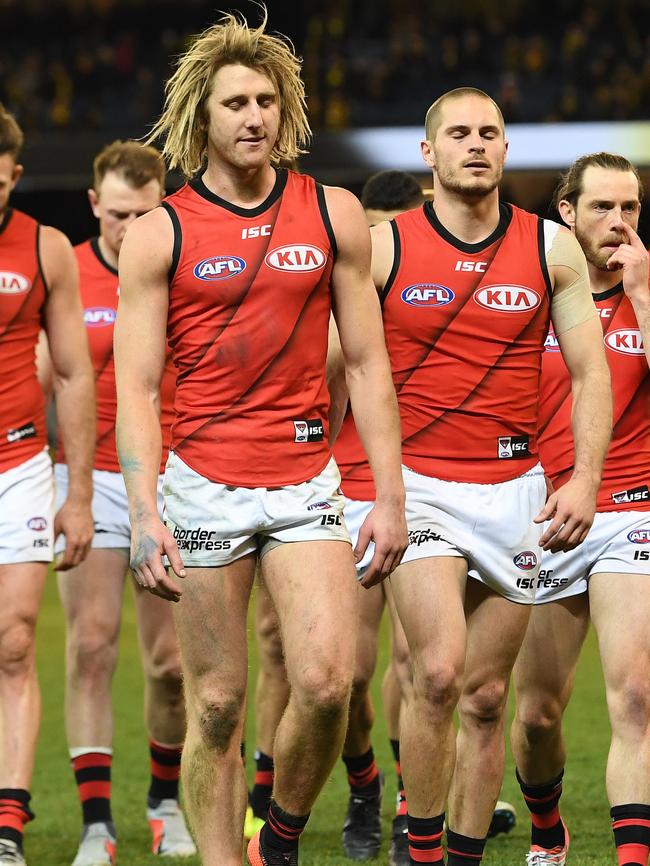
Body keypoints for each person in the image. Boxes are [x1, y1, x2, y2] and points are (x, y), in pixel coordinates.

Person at [113, 11, 407, 866]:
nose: (255, 117)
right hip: (201, 484)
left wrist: (388, 500)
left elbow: (367, 365)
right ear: (202, 116)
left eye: (268, 101)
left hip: (306, 482)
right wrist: (142, 511)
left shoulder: (336, 212)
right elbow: (135, 387)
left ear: (287, 111)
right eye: (236, 102)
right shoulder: (159, 232)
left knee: (324, 682)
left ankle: (274, 839)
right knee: (215, 705)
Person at [370, 87, 612, 865]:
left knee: (483, 698)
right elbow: (347, 368)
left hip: (517, 495)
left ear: (506, 150)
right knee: (438, 671)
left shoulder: (552, 247)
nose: (476, 144)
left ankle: (460, 857)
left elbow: (590, 374)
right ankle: (424, 849)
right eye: (459, 133)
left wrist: (581, 483)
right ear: (428, 152)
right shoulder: (386, 249)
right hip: (423, 487)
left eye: (490, 133)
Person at [244, 170, 424, 866]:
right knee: (345, 674)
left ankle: (413, 808)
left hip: (430, 486)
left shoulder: (437, 296)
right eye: (369, 226)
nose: (378, 242)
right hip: (341, 491)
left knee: (422, 664)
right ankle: (363, 784)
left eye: (392, 227)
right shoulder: (329, 300)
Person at [40, 141, 195, 866]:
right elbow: (40, 375)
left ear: (161, 202)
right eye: (118, 213)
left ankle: (165, 804)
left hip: (172, 481)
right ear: (94, 204)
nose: (130, 227)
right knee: (92, 646)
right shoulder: (67, 270)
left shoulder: (182, 265)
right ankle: (97, 825)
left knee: (169, 663)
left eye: (144, 212)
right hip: (92, 477)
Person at [511, 152, 650, 866]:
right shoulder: (531, 290)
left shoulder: (648, 288)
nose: (619, 222)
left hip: (632, 509)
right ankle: (546, 830)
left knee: (634, 699)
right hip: (542, 520)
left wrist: (645, 293)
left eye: (630, 207)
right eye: (603, 207)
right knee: (536, 717)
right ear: (566, 212)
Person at [0, 105, 95, 866]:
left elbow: (71, 372)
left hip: (21, 467)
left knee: (15, 640)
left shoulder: (45, 247)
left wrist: (80, 492)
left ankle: (7, 827)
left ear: (16, 175)